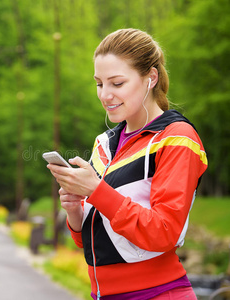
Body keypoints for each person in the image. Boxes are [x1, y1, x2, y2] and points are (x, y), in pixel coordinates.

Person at [47, 28, 208, 300]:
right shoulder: (104, 143)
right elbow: (94, 241)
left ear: (151, 78)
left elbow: (165, 232)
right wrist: (75, 210)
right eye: (99, 84)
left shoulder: (177, 139)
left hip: (157, 293)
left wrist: (97, 191)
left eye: (117, 83)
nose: (105, 95)